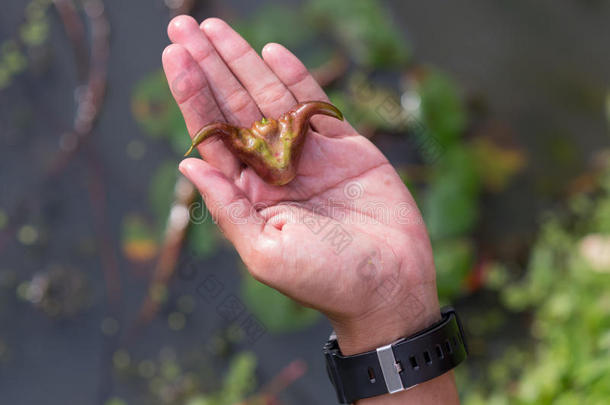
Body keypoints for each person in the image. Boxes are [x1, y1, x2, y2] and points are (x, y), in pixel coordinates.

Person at [162, 15, 461, 404]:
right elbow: (306, 114)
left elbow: (275, 122)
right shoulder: (293, 128)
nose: (281, 167)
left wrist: (385, 307)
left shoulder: (270, 139)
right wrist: (385, 308)